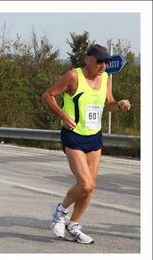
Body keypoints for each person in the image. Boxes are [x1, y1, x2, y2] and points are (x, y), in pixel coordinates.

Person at [42, 44, 131, 244]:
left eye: (106, 61)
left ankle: (73, 225)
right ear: (88, 59)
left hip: (94, 137)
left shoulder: (106, 78)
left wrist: (119, 105)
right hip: (73, 136)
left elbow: (108, 103)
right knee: (85, 183)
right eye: (99, 61)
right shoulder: (74, 76)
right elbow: (48, 95)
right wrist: (63, 115)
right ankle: (59, 212)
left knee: (90, 188)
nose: (103, 65)